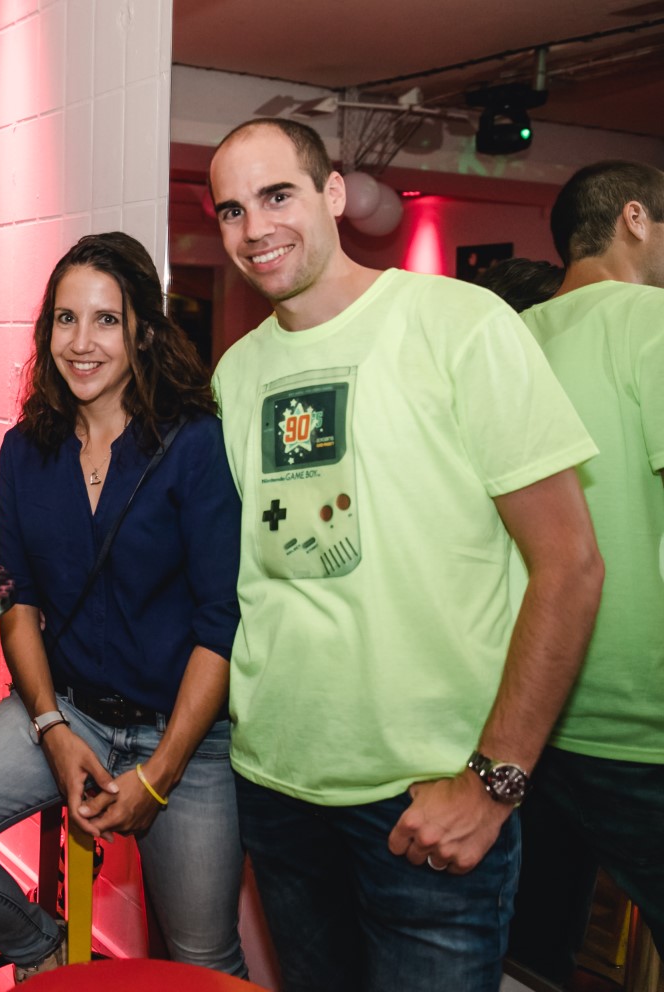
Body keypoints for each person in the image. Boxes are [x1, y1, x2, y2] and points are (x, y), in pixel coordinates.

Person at [208, 118, 604, 992]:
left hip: (427, 799)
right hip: (276, 787)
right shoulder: (235, 375)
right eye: (232, 210)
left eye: (278, 195)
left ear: (334, 193)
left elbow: (571, 564)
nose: (255, 228)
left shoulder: (458, 323)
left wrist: (494, 783)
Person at [0, 232, 247, 981]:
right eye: (65, 319)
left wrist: (160, 774)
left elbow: (220, 624)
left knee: (203, 960)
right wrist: (49, 726)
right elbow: (18, 603)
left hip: (183, 734)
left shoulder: (194, 443)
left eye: (106, 320)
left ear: (143, 330)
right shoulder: (25, 450)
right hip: (65, 710)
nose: (81, 343)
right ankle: (41, 945)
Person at [507, 160, 664, 984]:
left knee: (529, 958)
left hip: (524, 713)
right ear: (634, 218)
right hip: (644, 719)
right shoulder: (654, 321)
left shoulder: (509, 340)